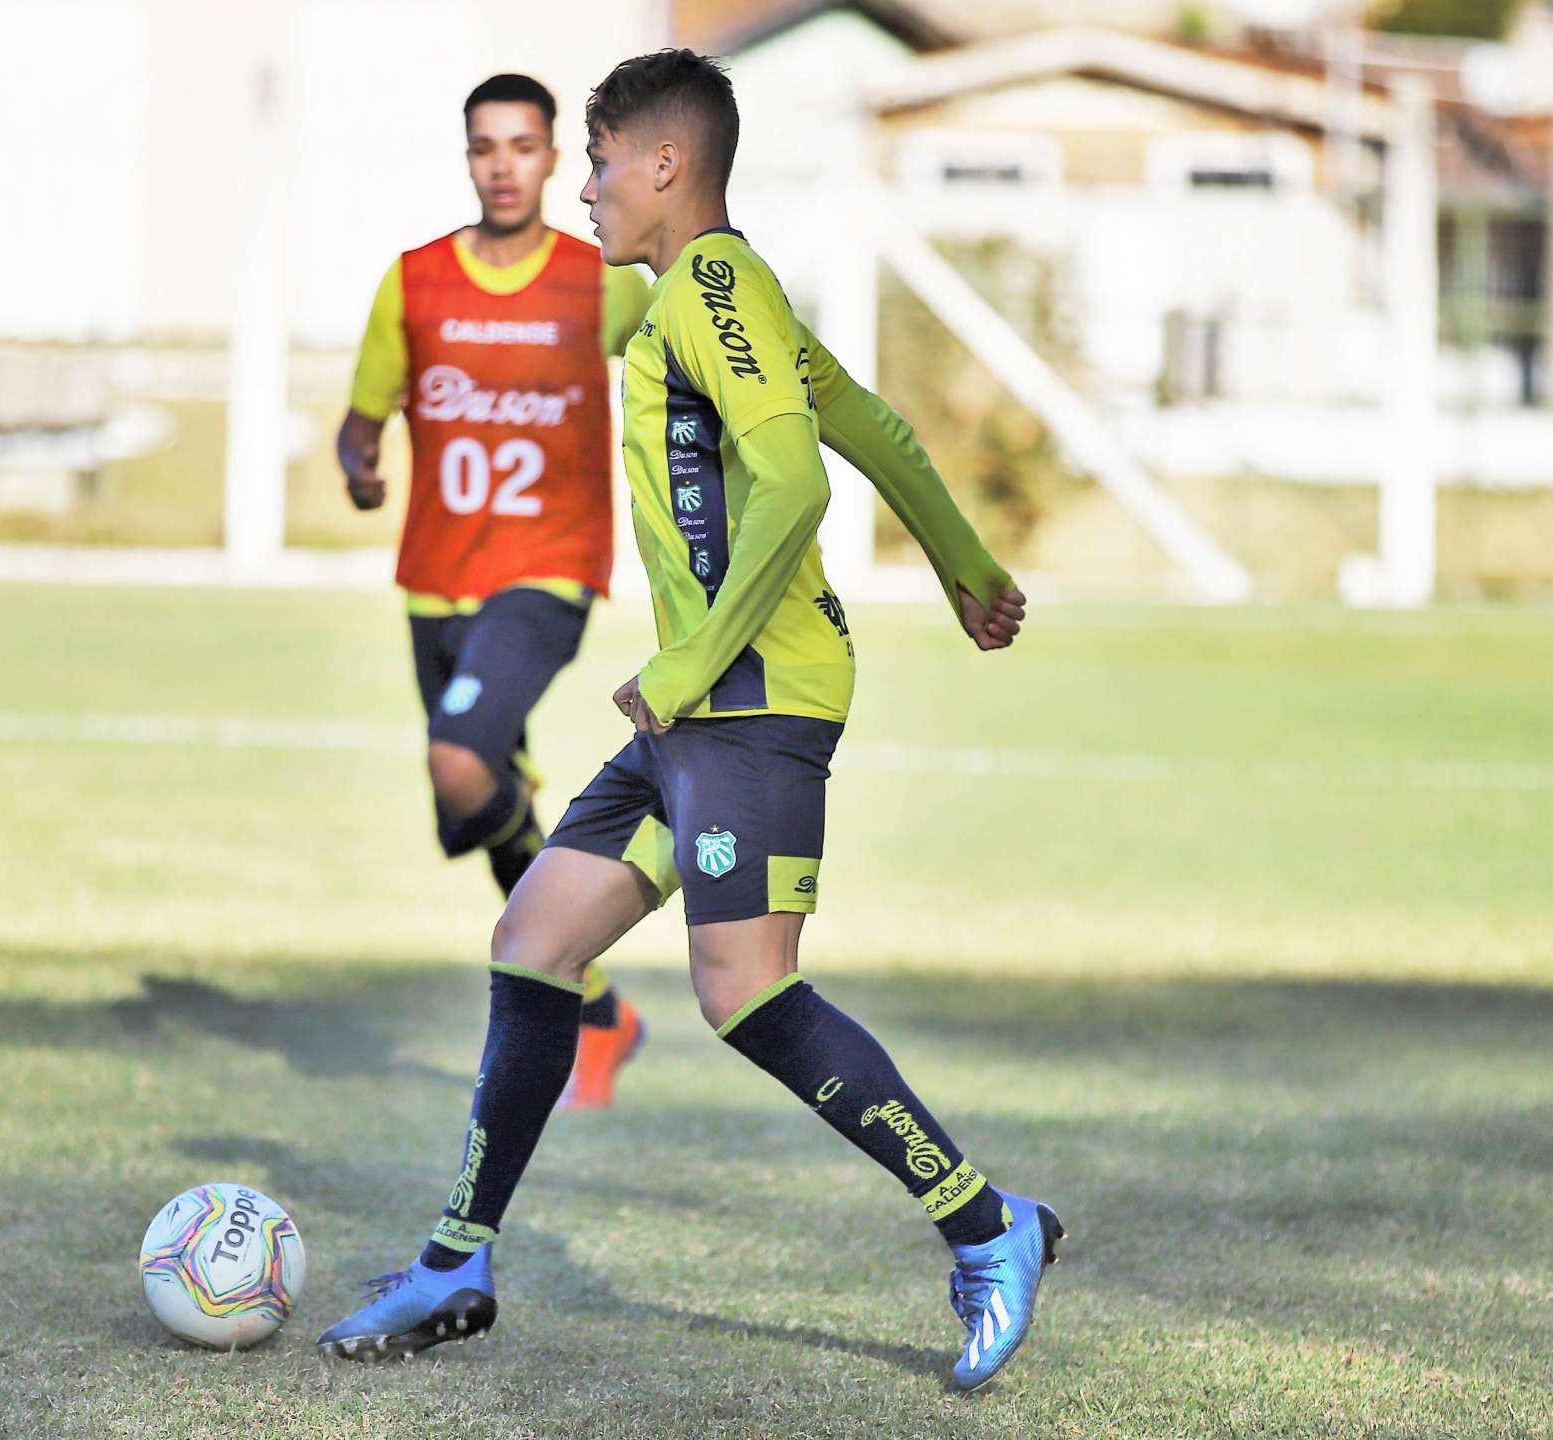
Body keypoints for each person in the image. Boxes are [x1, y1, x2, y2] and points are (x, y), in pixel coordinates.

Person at [318, 50, 1058, 1392]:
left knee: (745, 990)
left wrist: (688, 664)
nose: (583, 190)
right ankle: (456, 1262)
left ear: (664, 166)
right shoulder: (723, 295)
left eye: (597, 164)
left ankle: (989, 1223)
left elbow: (793, 484)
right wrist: (967, 572)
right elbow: (877, 431)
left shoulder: (714, 287)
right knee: (536, 942)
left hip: (749, 696)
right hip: (703, 704)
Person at [338, 73, 653, 1109]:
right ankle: (599, 1005)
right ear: (467, 158)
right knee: (479, 802)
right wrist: (358, 460)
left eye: (523, 145)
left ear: (556, 157)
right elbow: (363, 413)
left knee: (460, 760)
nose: (504, 164)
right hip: (433, 584)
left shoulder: (600, 281)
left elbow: (682, 370)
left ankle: (575, 988)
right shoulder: (416, 280)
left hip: (546, 572)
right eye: (485, 147)